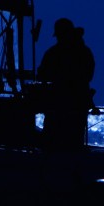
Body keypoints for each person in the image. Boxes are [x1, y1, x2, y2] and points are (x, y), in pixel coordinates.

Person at [36, 17, 95, 147]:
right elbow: (88, 75)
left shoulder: (53, 53)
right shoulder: (84, 52)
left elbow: (41, 74)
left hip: (58, 104)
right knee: (74, 142)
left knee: (53, 144)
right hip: (77, 104)